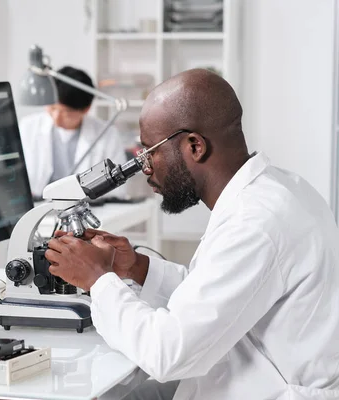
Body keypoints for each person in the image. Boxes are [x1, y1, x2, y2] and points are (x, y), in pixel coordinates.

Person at [45, 69, 339, 399]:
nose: (145, 168)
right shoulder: (276, 188)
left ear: (195, 146)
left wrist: (97, 280)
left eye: (148, 152)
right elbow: (217, 293)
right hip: (241, 374)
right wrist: (135, 269)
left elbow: (167, 355)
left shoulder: (254, 223)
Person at [19, 65, 127, 198]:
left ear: (86, 109)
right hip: (41, 208)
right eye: (52, 108)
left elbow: (118, 190)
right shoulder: (28, 127)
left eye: (66, 113)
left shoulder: (107, 134)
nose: (56, 118)